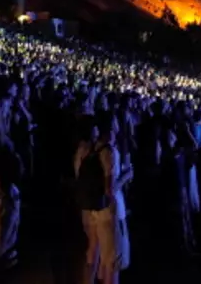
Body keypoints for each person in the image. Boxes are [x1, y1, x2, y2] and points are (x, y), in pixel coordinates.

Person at [75, 112, 132, 284]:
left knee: (95, 252)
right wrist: (127, 175)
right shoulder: (109, 152)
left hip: (93, 209)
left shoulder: (87, 150)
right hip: (109, 210)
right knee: (112, 261)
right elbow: (110, 189)